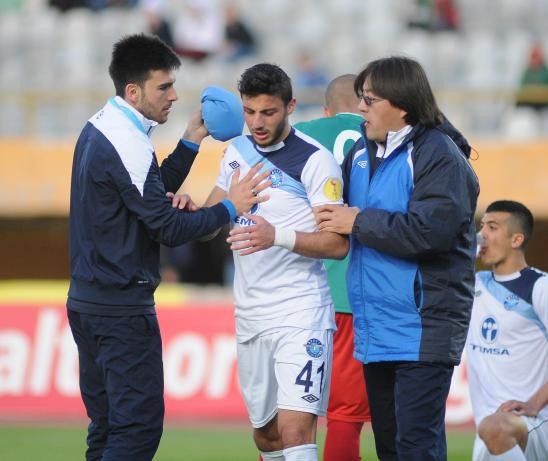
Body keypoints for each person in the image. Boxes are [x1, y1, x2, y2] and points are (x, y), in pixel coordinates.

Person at [67, 34, 269, 460]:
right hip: (120, 309)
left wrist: (191, 141)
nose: (174, 96)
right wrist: (229, 206)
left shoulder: (102, 126)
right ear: (134, 91)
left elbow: (145, 195)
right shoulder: (127, 142)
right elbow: (167, 227)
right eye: (164, 87)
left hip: (90, 301)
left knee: (106, 428)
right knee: (136, 430)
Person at [316, 56, 479, 460]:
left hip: (422, 328)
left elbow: (430, 232)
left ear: (402, 105)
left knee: (415, 448)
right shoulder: (360, 151)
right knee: (390, 448)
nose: (360, 108)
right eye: (360, 98)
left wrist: (358, 220)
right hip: (376, 329)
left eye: (370, 100)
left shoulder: (438, 154)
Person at [203, 63, 349, 461]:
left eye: (268, 112)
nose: (257, 122)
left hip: (300, 310)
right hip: (250, 314)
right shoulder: (236, 151)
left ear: (290, 107)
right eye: (250, 112)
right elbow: (206, 227)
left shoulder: (315, 161)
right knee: (267, 437)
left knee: (295, 430)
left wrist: (277, 236)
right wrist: (192, 212)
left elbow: (337, 244)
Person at [467, 200, 548, 461]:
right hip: (488, 430)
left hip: (532, 421)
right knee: (492, 428)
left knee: (495, 427)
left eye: (492, 227)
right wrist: (464, 257)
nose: (482, 235)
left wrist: (534, 404)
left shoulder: (543, 287)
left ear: (516, 239)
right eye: (481, 227)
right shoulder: (473, 284)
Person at [294, 74, 370, 461]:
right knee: (345, 417)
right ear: (364, 103)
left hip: (300, 294)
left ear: (326, 110)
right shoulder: (382, 134)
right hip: (356, 296)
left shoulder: (300, 134)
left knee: (290, 414)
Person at [515, 43, 548, 112]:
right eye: (533, 56)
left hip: (543, 104)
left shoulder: (546, 71)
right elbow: (523, 87)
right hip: (529, 103)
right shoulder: (527, 71)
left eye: (536, 56)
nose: (534, 59)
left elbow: (546, 87)